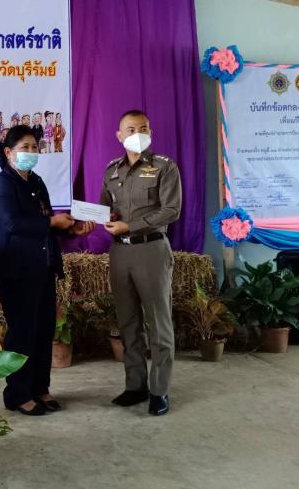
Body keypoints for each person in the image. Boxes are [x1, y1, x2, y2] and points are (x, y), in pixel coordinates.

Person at [0, 125, 94, 416]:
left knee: (44, 330)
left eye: (35, 147)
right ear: (8, 152)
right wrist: (51, 223)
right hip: (16, 270)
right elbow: (13, 224)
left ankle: (40, 388)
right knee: (22, 333)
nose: (31, 152)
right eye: (25, 147)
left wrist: (71, 230)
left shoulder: (36, 182)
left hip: (43, 267)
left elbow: (45, 223)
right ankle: (18, 394)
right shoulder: (1, 184)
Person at [99, 110, 181, 416]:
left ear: (150, 132)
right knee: (128, 322)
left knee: (159, 323)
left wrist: (130, 226)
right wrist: (101, 217)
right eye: (131, 129)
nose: (137, 133)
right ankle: (135, 385)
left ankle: (159, 390)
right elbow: (105, 207)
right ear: (119, 136)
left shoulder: (164, 166)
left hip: (151, 250)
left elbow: (171, 210)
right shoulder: (112, 170)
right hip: (120, 252)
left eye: (143, 128)